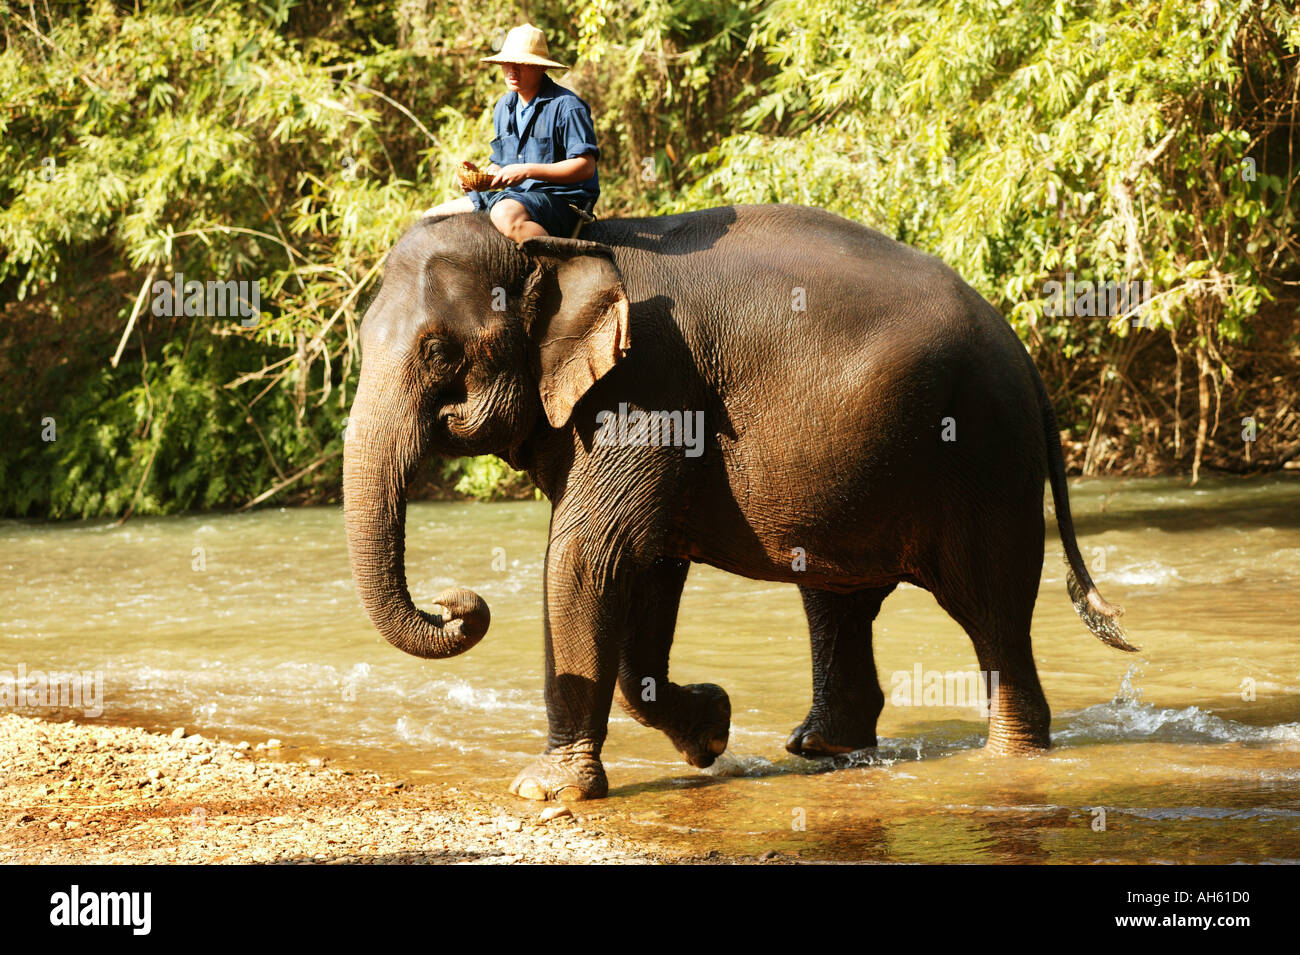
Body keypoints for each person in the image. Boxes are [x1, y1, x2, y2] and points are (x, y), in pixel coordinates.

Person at [422, 24, 599, 241]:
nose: (512, 70)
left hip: (562, 202)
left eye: (522, 64)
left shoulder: (568, 106)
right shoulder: (503, 107)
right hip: (514, 196)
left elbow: (586, 167)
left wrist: (527, 171)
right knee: (430, 217)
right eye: (507, 63)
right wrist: (482, 178)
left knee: (504, 214)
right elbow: (503, 164)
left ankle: (559, 264)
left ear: (541, 68)